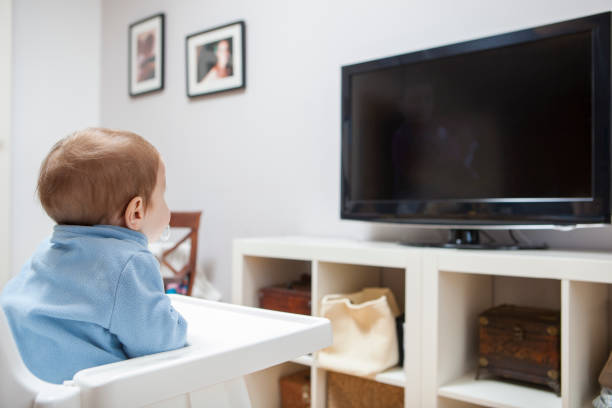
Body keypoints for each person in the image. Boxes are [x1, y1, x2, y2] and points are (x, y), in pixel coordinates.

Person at [0, 128, 187, 384]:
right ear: (136, 212)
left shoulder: (46, 249)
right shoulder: (130, 263)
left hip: (21, 385)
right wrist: (177, 324)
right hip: (82, 394)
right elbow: (160, 343)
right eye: (162, 194)